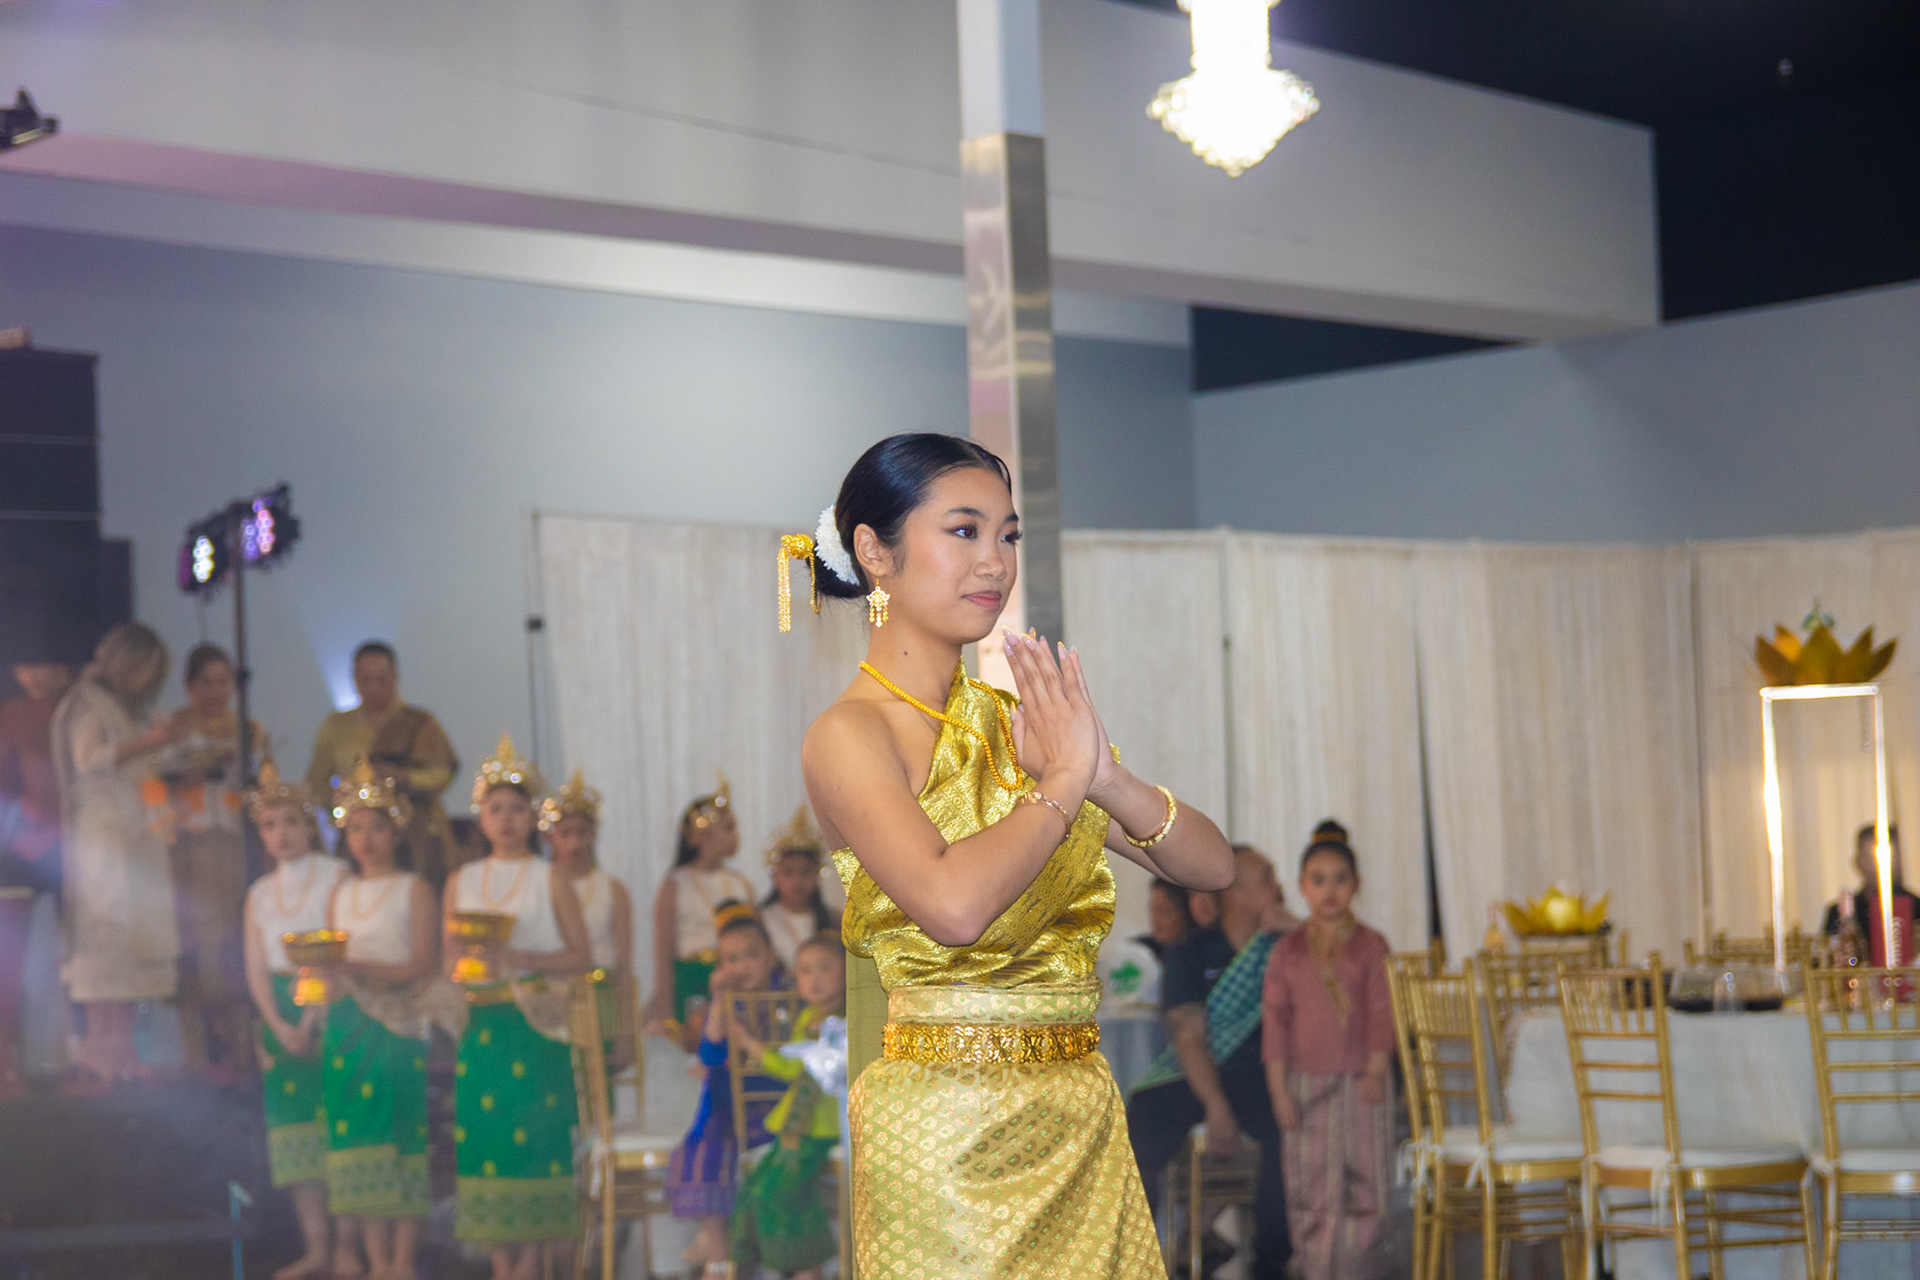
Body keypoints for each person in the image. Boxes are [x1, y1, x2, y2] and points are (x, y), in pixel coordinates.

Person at [792, 432, 1236, 1279]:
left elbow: (1214, 870)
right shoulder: (847, 735)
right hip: (946, 1138)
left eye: (1009, 535)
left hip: (1079, 1114)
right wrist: (1064, 780)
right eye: (964, 531)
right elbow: (954, 908)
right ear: (874, 551)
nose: (995, 561)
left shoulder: (1012, 725)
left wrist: (1104, 775)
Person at [446, 735, 591, 1280]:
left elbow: (581, 956)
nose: (505, 819)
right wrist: (469, 963)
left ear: (532, 818)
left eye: (515, 809)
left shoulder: (548, 876)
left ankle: (530, 1264)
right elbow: (447, 959)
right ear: (480, 818)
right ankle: (503, 1264)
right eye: (495, 809)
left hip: (535, 1028)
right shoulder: (461, 880)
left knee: (533, 1142)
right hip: (480, 1027)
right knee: (486, 1141)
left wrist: (518, 958)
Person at [1127, 845, 1296, 1278]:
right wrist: (1216, 1105)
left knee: (1287, 1127)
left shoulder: (1287, 948)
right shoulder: (1190, 951)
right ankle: (1136, 1261)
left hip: (1260, 1075)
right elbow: (1187, 1036)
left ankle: (1270, 1264)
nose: (1278, 886)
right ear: (1236, 892)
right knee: (1142, 1116)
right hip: (1197, 1074)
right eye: (1267, 877)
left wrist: (1299, 930)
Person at [50, 621, 192, 1082]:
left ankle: (127, 1047)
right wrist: (152, 742)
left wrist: (171, 751)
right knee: (105, 934)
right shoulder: (87, 703)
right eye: (136, 667)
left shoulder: (135, 710)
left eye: (149, 670)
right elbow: (89, 759)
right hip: (103, 836)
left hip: (139, 834)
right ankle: (100, 1046)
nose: (141, 677)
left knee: (137, 942)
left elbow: (144, 765)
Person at [324, 759, 439, 1280]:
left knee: (401, 1136)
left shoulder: (415, 889)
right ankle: (375, 1262)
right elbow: (332, 965)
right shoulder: (340, 894)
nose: (366, 839)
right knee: (361, 1144)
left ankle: (403, 1262)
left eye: (376, 827)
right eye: (355, 828)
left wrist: (358, 968)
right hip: (348, 1027)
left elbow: (422, 964)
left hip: (398, 1026)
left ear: (396, 833)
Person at [1262, 836, 1394, 1280]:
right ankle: (1316, 1269)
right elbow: (1276, 1022)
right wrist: (1279, 1091)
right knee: (1309, 1183)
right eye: (1319, 881)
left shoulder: (1371, 945)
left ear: (1356, 884)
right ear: (1302, 886)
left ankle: (1359, 1269)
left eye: (1340, 879)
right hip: (1304, 1084)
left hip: (1363, 1082)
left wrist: (1376, 1069)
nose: (1330, 890)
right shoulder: (1288, 950)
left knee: (1367, 1182)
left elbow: (1383, 1010)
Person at [242, 757, 350, 1280]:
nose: (280, 833)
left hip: (331, 1004)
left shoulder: (336, 877)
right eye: (269, 824)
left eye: (290, 821)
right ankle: (317, 1248)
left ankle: (349, 1248)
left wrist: (312, 1018)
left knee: (341, 1132)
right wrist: (277, 1023)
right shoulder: (259, 894)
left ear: (310, 826)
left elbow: (337, 950)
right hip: (281, 1017)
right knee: (297, 1139)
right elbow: (256, 968)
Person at [669, 903, 788, 1275]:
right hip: (726, 1107)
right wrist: (720, 1003)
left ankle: (763, 1254)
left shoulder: (786, 996)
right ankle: (719, 1258)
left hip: (773, 1100)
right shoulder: (725, 1004)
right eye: (732, 959)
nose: (743, 966)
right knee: (703, 1150)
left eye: (752, 955)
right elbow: (709, 1052)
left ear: (771, 956)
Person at [160, 642, 261, 1072]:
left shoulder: (249, 729)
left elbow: (263, 784)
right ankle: (196, 1052)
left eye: (223, 682)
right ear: (189, 686)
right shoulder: (173, 728)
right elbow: (152, 785)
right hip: (187, 843)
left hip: (235, 843)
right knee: (193, 945)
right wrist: (183, 777)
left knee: (231, 942)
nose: (216, 691)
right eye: (206, 682)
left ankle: (238, 1048)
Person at [729, 930, 846, 1280]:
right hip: (798, 1122)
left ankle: (807, 1266)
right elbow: (795, 1066)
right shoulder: (808, 1016)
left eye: (824, 968)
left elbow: (794, 1068)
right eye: (805, 970)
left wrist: (751, 1044)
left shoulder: (845, 1018)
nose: (814, 978)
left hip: (824, 1123)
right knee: (757, 1186)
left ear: (846, 970)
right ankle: (798, 1266)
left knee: (780, 1190)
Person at [306, 642, 458, 885]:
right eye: (366, 679)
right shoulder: (336, 726)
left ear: (395, 678)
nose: (374, 687)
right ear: (354, 680)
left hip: (413, 833)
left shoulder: (418, 722)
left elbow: (443, 772)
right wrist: (342, 815)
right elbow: (316, 783)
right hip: (359, 837)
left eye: (382, 679)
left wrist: (404, 777)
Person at [0, 656, 71, 1096]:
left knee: (75, 962)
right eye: (27, 666)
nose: (37, 675)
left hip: (79, 850)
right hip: (20, 854)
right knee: (8, 964)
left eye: (45, 664)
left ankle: (80, 1061)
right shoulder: (9, 717)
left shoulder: (80, 709)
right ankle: (5, 1063)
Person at [647, 778, 754, 1035]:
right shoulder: (675, 884)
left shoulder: (740, 884)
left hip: (733, 978)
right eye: (728, 828)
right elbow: (663, 954)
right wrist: (665, 1011)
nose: (736, 836)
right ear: (700, 835)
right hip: (689, 982)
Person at [539, 769, 633, 975]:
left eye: (582, 832)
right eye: (565, 833)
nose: (575, 843)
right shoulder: (540, 885)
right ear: (550, 837)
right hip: (553, 985)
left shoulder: (613, 889)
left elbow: (624, 961)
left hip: (602, 985)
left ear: (593, 833)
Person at [1821, 824, 1917, 964]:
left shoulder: (1916, 908)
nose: (1879, 867)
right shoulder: (1839, 913)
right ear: (1857, 862)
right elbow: (1828, 962)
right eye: (1871, 858)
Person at [759, 806, 840, 969]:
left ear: (816, 876)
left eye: (806, 872)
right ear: (775, 877)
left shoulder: (834, 920)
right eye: (788, 873)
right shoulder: (760, 920)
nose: (797, 880)